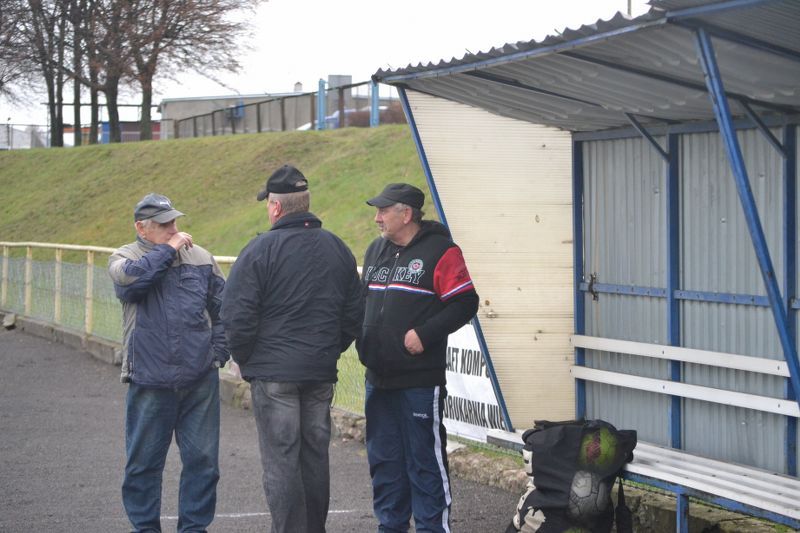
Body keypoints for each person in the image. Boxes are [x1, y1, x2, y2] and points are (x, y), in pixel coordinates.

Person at [220, 165, 363, 533]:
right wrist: (329, 350)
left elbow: (237, 314)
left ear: (276, 208)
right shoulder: (337, 248)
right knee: (315, 457)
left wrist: (247, 359)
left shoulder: (258, 250)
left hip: (273, 373)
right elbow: (354, 313)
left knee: (281, 460)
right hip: (318, 371)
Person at [358, 183, 479, 533]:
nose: (377, 218)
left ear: (406, 214)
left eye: (384, 211)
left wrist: (424, 334)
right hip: (377, 379)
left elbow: (465, 302)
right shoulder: (375, 250)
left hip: (419, 382)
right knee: (385, 463)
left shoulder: (442, 251)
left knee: (425, 464)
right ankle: (390, 526)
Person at [108, 193, 230, 533]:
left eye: (174, 222)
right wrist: (169, 249)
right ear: (141, 228)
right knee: (143, 465)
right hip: (149, 379)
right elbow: (132, 285)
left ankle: (194, 528)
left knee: (203, 463)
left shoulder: (201, 258)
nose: (173, 229)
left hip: (199, 378)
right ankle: (145, 528)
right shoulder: (124, 257)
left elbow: (224, 310)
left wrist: (217, 353)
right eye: (164, 225)